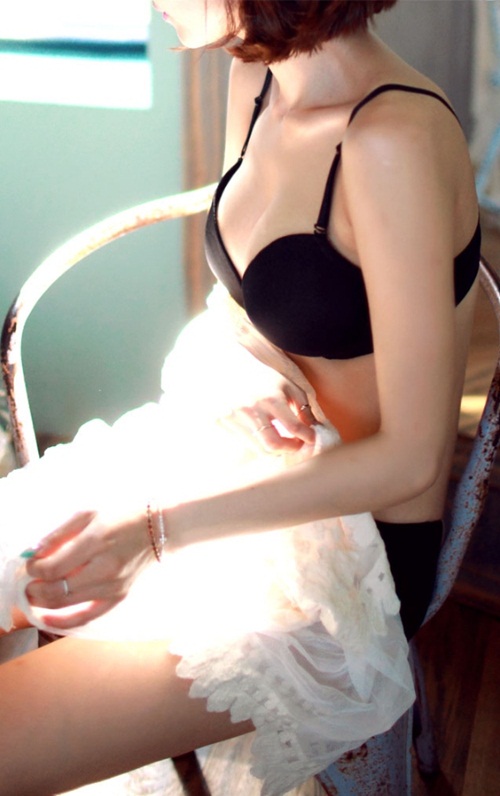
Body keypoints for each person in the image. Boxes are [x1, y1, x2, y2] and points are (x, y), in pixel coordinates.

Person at [0, 1, 481, 794]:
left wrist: (154, 530)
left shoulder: (393, 139)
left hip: (347, 562)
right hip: (235, 461)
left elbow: (412, 458)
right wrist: (253, 371)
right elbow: (240, 310)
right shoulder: (255, 79)